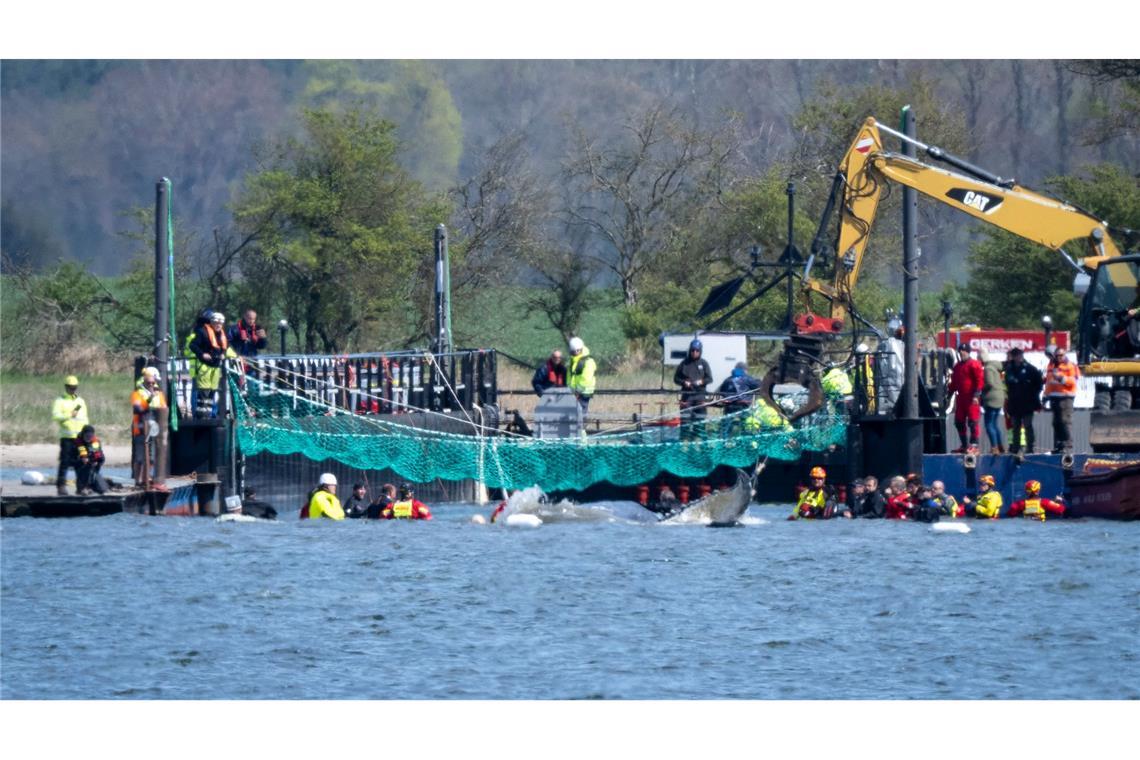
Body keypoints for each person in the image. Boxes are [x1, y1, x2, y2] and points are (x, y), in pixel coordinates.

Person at [186, 309, 238, 418]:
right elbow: (192, 347)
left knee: (212, 393)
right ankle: (201, 416)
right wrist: (202, 354)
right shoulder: (201, 333)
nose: (218, 325)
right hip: (202, 368)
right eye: (216, 323)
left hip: (215, 367)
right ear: (211, 322)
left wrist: (236, 357)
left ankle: (209, 415)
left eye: (220, 323)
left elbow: (226, 349)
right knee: (202, 394)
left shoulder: (221, 335)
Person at [130, 366, 168, 487]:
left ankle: (148, 476)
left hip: (155, 430)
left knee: (151, 457)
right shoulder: (137, 394)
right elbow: (138, 408)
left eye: (153, 382)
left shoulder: (159, 394)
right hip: (140, 429)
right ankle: (138, 480)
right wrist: (151, 397)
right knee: (140, 457)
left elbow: (163, 408)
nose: (152, 384)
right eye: (149, 382)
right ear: (144, 381)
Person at [1003, 347, 1044, 455]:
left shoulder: (1030, 369)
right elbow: (1008, 383)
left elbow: (1039, 383)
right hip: (1014, 403)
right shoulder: (1009, 369)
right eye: (1015, 355)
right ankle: (1015, 448)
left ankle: (1030, 448)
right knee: (1015, 427)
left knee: (1027, 425)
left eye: (1019, 355)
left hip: (1027, 403)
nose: (1017, 357)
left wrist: (1033, 395)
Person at [52, 375, 88, 495]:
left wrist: (87, 435)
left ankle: (81, 487)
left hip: (80, 439)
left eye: (74, 387)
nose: (73, 390)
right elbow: (55, 416)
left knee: (81, 463)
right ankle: (61, 486)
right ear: (66, 387)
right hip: (67, 438)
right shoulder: (60, 401)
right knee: (65, 462)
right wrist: (69, 415)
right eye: (70, 387)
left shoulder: (80, 401)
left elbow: (85, 419)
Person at [674, 338, 714, 438]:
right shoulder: (684, 363)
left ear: (700, 351)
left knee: (700, 422)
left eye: (697, 350)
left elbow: (710, 379)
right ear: (690, 350)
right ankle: (683, 443)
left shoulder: (704, 363)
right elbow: (676, 379)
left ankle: (700, 445)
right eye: (692, 350)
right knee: (685, 421)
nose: (694, 352)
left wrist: (701, 382)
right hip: (687, 397)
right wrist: (684, 382)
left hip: (700, 397)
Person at [947, 345, 984, 453]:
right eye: (960, 351)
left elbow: (979, 380)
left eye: (963, 351)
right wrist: (949, 394)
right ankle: (964, 445)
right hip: (961, 398)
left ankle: (974, 445)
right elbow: (954, 382)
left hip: (972, 398)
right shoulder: (957, 366)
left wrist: (977, 395)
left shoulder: (974, 364)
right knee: (959, 422)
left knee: (973, 422)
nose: (961, 353)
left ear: (968, 352)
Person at [1044, 349, 1080, 454]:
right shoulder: (1051, 365)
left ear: (1065, 355)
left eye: (1061, 355)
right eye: (1057, 355)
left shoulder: (1070, 365)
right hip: (1054, 397)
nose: (1059, 357)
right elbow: (1048, 382)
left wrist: (1061, 378)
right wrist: (1045, 395)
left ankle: (1067, 446)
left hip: (1066, 397)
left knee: (1065, 422)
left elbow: (1073, 381)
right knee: (1056, 423)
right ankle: (1058, 446)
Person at [979, 349, 1006, 454]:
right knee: (995, 424)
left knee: (989, 424)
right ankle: (1000, 446)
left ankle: (994, 447)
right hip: (999, 397)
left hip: (991, 398)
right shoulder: (995, 367)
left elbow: (989, 383)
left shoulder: (988, 369)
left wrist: (981, 389)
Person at [567, 336, 597, 417]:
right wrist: (569, 389)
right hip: (575, 392)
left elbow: (586, 379)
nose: (573, 353)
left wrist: (578, 391)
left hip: (584, 392)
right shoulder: (574, 361)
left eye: (574, 351)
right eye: (572, 351)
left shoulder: (588, 361)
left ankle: (581, 429)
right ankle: (576, 428)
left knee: (581, 412)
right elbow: (570, 376)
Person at [74, 425, 107, 495]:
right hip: (81, 470)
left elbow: (102, 458)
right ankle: (83, 488)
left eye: (90, 436)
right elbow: (72, 460)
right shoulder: (76, 443)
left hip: (93, 470)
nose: (88, 438)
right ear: (83, 434)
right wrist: (81, 460)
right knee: (86, 468)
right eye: (87, 436)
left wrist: (97, 463)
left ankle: (92, 486)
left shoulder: (96, 442)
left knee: (103, 489)